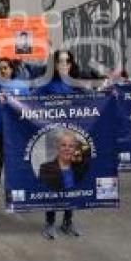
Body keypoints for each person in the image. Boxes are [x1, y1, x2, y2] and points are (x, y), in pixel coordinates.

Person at [36, 49, 85, 238]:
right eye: (60, 62)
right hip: (52, 139)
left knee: (70, 181)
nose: (64, 65)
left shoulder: (76, 84)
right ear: (53, 65)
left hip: (72, 138)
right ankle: (50, 222)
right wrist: (7, 99)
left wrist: (110, 93)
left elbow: (95, 98)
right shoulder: (46, 84)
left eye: (67, 61)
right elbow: (27, 99)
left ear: (71, 64)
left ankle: (67, 221)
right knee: (53, 181)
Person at [0, 57, 28, 200]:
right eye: (0, 68)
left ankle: (15, 190)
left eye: (5, 68)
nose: (3, 71)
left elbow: (28, 106)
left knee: (15, 160)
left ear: (11, 69)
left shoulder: (22, 86)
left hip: (16, 130)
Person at [38, 130, 88, 239]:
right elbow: (44, 191)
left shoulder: (79, 167)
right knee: (51, 196)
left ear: (75, 148)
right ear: (58, 147)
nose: (67, 148)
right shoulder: (46, 167)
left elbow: (88, 150)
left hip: (70, 195)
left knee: (70, 196)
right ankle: (50, 223)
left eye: (71, 146)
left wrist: (78, 148)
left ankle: (67, 223)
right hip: (53, 197)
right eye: (63, 145)